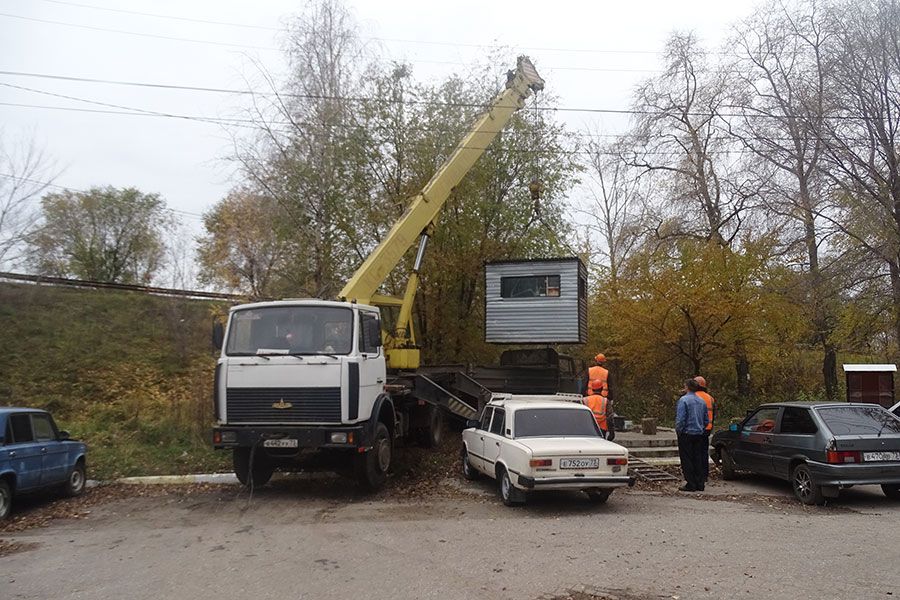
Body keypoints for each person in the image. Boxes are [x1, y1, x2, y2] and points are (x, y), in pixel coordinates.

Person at [675, 378, 710, 492]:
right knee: (698, 458)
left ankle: (691, 483)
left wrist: (679, 431)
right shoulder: (702, 401)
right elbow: (706, 419)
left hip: (686, 433)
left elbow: (681, 419)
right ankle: (700, 483)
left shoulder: (684, 400)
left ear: (687, 387)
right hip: (699, 434)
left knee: (687, 459)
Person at [694, 376, 716, 481]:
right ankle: (704, 474)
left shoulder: (693, 397)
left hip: (696, 429)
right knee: (704, 452)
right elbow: (714, 414)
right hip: (707, 429)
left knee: (695, 452)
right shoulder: (710, 398)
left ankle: (697, 474)